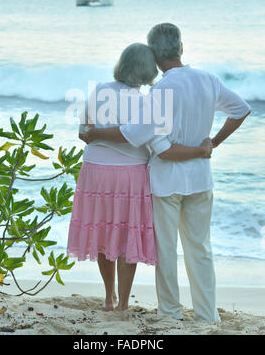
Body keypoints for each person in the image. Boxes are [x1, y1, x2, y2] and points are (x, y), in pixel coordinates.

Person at [83, 24, 251, 322]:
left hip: (167, 182)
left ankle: (171, 313)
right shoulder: (208, 79)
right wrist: (212, 143)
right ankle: (207, 315)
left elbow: (137, 136)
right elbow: (240, 110)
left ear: (153, 55)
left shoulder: (160, 91)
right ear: (181, 48)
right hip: (201, 179)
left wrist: (94, 132)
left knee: (167, 252)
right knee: (200, 248)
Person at [68, 42, 213, 312]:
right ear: (148, 70)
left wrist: (98, 135)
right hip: (129, 175)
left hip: (95, 172)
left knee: (103, 232)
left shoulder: (99, 90)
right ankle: (123, 303)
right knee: (125, 236)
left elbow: (83, 132)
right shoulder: (146, 101)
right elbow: (135, 137)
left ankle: (109, 297)